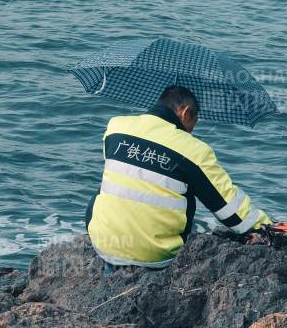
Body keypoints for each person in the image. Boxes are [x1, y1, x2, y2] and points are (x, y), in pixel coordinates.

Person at [86, 85, 271, 268]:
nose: (191, 131)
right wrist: (268, 227)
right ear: (185, 112)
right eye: (193, 122)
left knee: (110, 185)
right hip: (156, 257)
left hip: (103, 245)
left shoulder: (116, 127)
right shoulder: (195, 151)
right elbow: (231, 212)